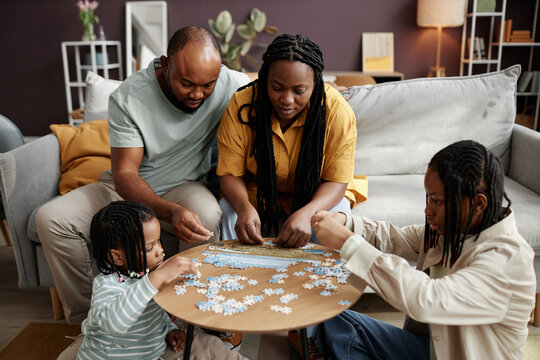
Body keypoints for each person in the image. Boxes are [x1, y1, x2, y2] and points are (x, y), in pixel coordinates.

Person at [35, 26, 253, 324]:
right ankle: (93, 325)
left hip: (185, 186)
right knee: (51, 219)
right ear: (166, 65)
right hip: (125, 189)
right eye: (187, 83)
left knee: (205, 214)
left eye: (208, 85)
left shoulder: (229, 82)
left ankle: (183, 323)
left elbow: (277, 85)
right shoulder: (129, 97)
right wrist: (170, 212)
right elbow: (125, 175)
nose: (198, 94)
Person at [311, 140, 536, 360]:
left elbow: (427, 298)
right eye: (428, 198)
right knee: (329, 318)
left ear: (478, 204)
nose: (427, 210)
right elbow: (394, 237)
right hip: (427, 348)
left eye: (437, 201)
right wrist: (345, 222)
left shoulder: (507, 260)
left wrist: (348, 243)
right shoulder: (453, 231)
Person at [57, 201, 246, 360]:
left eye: (159, 241)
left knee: (211, 345)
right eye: (149, 248)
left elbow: (154, 315)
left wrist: (170, 329)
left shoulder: (149, 273)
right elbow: (113, 324)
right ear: (117, 258)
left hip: (153, 350)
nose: (159, 251)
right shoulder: (107, 285)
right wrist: (156, 278)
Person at [217, 34, 357, 248]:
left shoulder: (336, 112)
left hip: (316, 196)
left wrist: (307, 212)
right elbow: (229, 173)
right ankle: (228, 274)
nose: (287, 99)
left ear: (315, 84)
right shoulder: (242, 104)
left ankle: (325, 279)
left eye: (299, 91)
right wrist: (244, 207)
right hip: (256, 195)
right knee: (228, 212)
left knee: (337, 217)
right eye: (276, 87)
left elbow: (337, 181)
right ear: (265, 79)